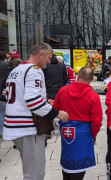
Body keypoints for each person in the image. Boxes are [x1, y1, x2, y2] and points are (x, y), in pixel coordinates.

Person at [3, 43, 69, 179]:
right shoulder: (34, 70)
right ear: (41, 55)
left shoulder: (16, 70)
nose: (49, 61)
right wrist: (58, 113)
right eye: (49, 57)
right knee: (35, 174)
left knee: (30, 170)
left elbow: (10, 95)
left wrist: (44, 102)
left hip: (15, 126)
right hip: (28, 128)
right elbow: (33, 101)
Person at [53, 66, 102, 179]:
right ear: (91, 79)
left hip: (66, 130)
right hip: (83, 132)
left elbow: (56, 109)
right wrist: (93, 135)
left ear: (78, 76)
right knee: (80, 165)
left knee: (67, 161)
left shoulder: (63, 90)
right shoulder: (93, 96)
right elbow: (97, 121)